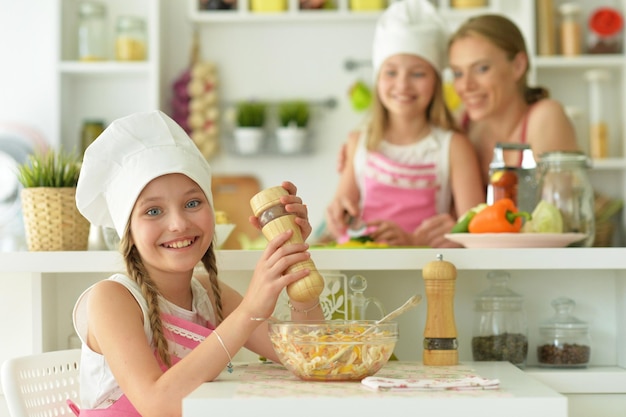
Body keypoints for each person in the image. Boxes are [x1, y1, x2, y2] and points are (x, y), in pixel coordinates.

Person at [71, 110, 323, 417]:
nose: (178, 224)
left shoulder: (207, 295)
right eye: (153, 211)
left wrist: (298, 268)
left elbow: (309, 357)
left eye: (192, 203)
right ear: (129, 231)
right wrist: (250, 311)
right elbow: (157, 404)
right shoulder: (113, 299)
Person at [325, 0, 485, 248]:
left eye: (418, 73)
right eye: (390, 72)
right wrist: (336, 217)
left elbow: (475, 235)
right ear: (378, 79)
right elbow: (340, 218)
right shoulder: (359, 142)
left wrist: (413, 241)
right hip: (362, 273)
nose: (402, 85)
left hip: (426, 272)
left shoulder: (454, 147)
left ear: (436, 81)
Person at [448, 13, 580, 187]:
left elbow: (550, 211)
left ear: (518, 66)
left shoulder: (545, 117)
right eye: (458, 73)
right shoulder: (460, 125)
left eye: (481, 69)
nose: (466, 85)